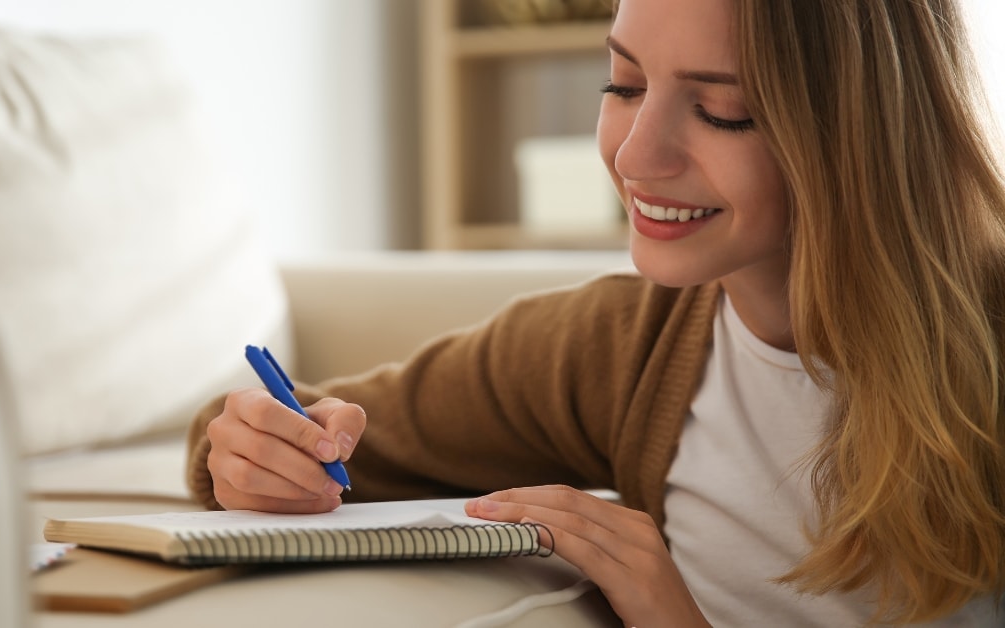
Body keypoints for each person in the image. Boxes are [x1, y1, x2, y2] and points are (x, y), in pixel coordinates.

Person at [186, 0, 1005, 625]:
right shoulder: (615, 349)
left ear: (870, 131)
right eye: (625, 84)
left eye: (723, 111)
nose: (636, 155)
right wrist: (260, 456)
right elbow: (303, 429)